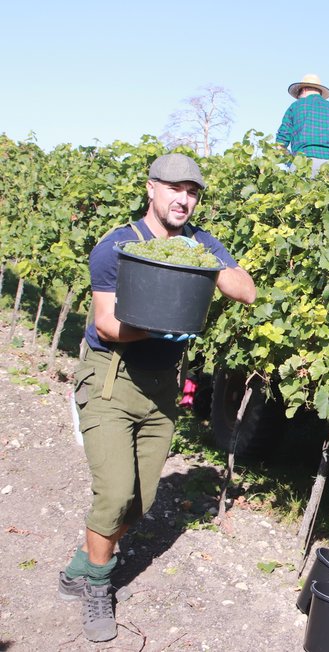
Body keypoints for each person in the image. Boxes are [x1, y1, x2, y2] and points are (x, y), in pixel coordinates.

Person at [58, 153, 256, 642]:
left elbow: (246, 291)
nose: (183, 199)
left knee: (140, 500)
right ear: (151, 189)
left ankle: (83, 563)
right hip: (111, 377)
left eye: (192, 191)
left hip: (162, 386)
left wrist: (203, 261)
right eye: (174, 188)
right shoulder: (117, 246)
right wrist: (161, 315)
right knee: (114, 492)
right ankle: (99, 586)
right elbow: (106, 323)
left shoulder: (201, 243)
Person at [275, 73, 329, 174]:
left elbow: (280, 144)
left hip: (304, 162)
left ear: (304, 90)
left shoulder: (296, 106)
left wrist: (292, 163)